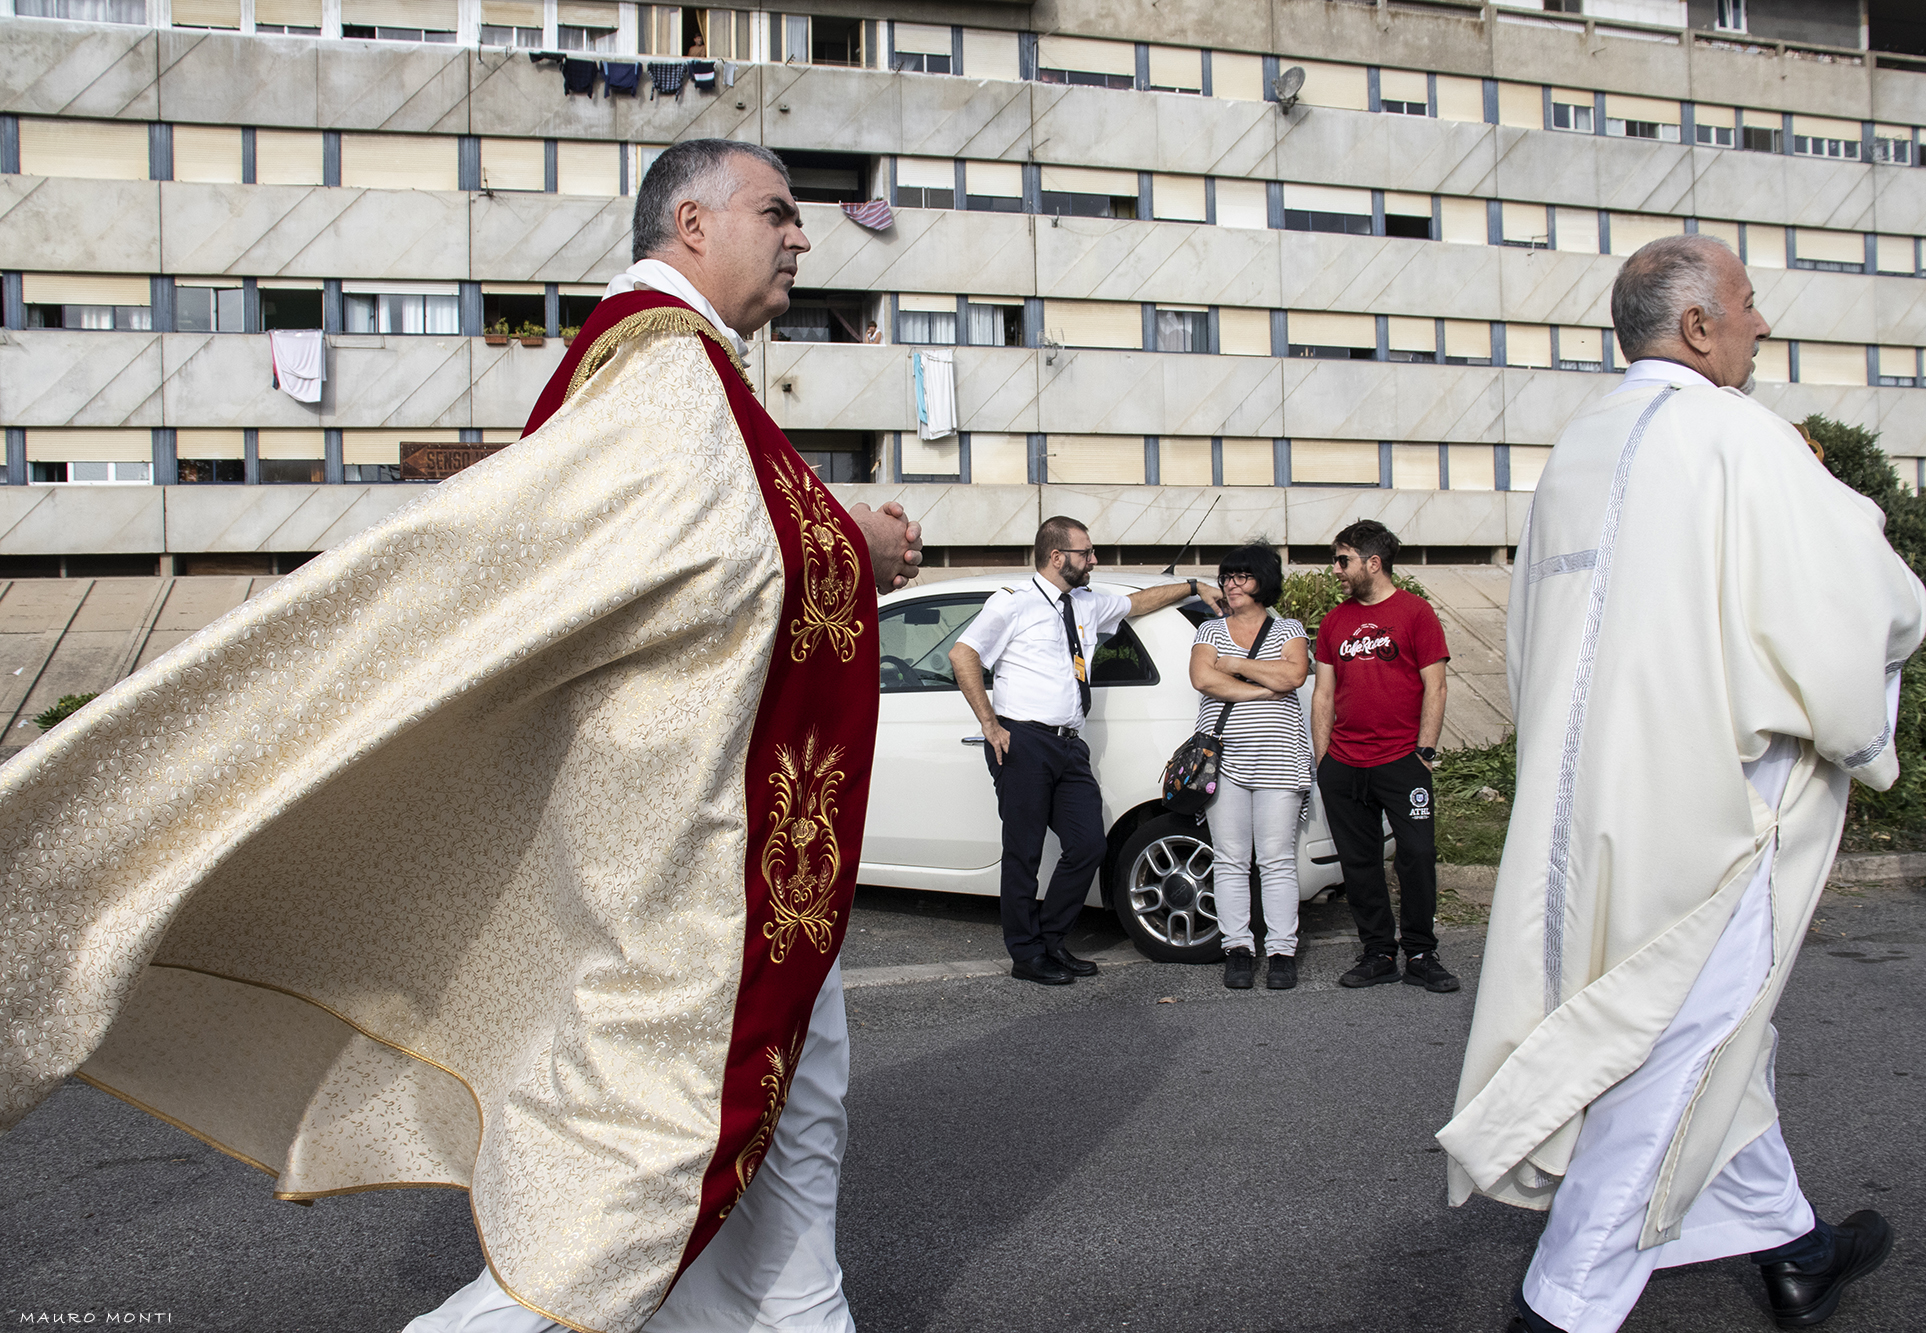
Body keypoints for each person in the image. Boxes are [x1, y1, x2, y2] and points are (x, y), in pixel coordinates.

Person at [0, 139, 923, 1333]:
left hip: (726, 828)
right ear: (690, 225)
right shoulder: (662, 372)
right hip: (694, 863)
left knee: (793, 1116)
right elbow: (723, 562)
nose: (802, 235)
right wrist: (857, 542)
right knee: (647, 1165)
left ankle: (793, 1313)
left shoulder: (680, 374)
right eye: (777, 211)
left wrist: (831, 525)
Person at [1437, 234, 1924, 1333]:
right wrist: (1816, 480)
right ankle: (1559, 1309)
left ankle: (1794, 1248)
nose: (1762, 325)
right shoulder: (1735, 437)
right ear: (1698, 326)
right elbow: (1869, 605)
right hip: (1712, 820)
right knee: (1669, 1056)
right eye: (1748, 306)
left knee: (1698, 1040)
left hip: (1586, 811)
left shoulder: (1578, 447)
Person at [949, 520, 1222, 984]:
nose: (1094, 559)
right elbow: (963, 654)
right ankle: (1026, 954)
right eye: (1087, 552)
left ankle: (1052, 941)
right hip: (1024, 743)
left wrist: (1191, 585)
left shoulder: (1086, 604)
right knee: (1025, 854)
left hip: (1069, 746)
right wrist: (989, 723)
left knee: (1088, 846)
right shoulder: (1012, 603)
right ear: (1058, 556)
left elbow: (1138, 602)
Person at [1309, 520, 1458, 994]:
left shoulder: (1416, 614)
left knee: (1415, 855)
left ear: (1373, 562)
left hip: (1402, 761)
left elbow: (1436, 685)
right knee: (1360, 862)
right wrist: (1323, 760)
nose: (1336, 570)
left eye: (1343, 560)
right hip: (1345, 765)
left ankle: (1420, 951)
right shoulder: (1335, 621)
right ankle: (1378, 952)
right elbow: (1324, 693)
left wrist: (1425, 753)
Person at [1188, 541, 1312, 990]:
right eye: (1226, 577)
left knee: (1277, 860)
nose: (1231, 585)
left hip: (1279, 759)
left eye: (1242, 576)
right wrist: (1264, 686)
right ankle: (1237, 947)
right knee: (1230, 859)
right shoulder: (1208, 630)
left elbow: (1294, 675)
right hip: (1224, 760)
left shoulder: (1289, 629)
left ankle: (1282, 950)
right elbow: (1203, 678)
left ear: (1263, 581)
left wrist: (1235, 665)